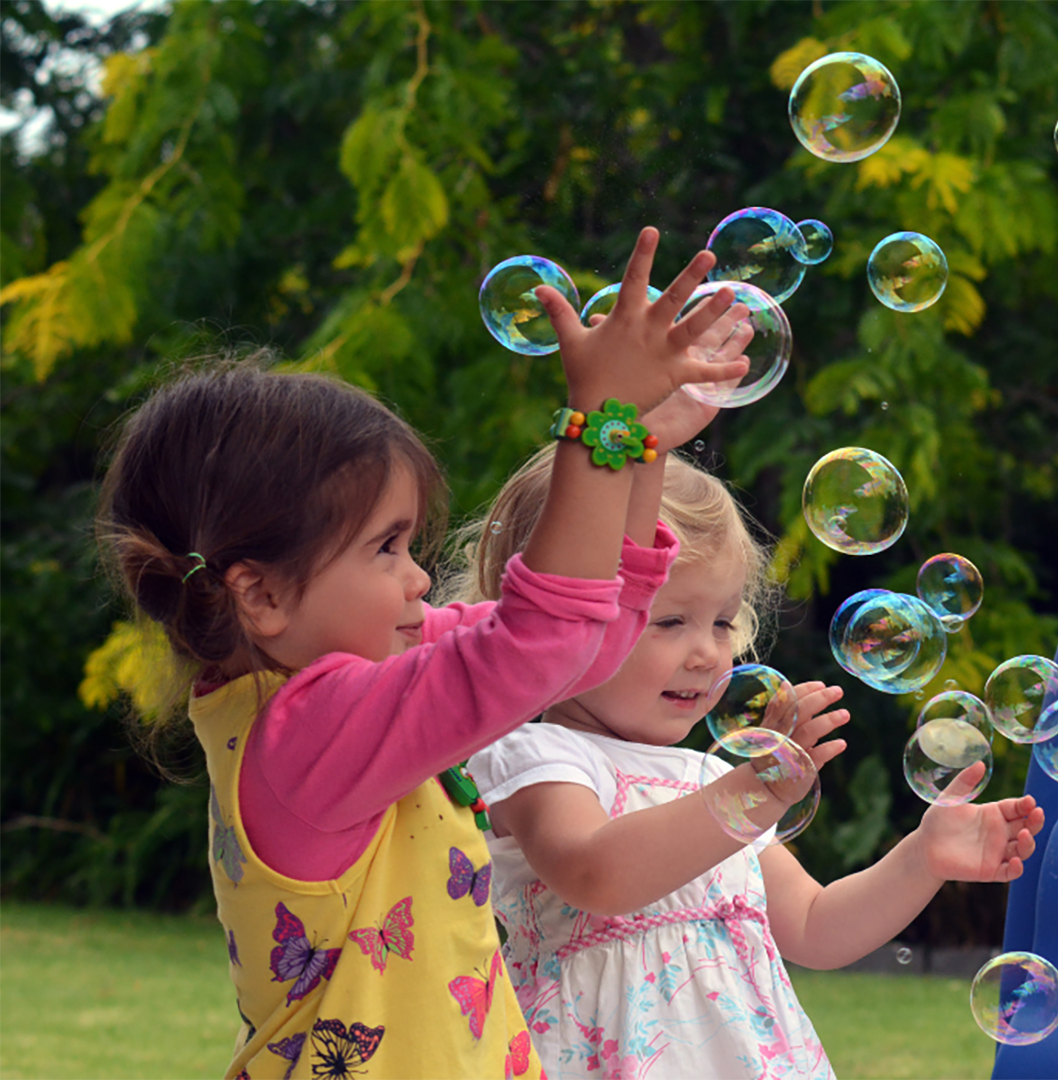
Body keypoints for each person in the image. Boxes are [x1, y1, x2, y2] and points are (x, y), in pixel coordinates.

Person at [95, 228, 751, 1080]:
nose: (416, 579)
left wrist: (639, 453)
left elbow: (584, 652)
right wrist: (599, 425)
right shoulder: (307, 729)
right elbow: (540, 642)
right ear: (261, 596)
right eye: (386, 547)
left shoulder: (357, 692)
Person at [460, 440, 1048, 1079]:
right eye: (670, 622)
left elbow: (816, 927)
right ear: (557, 618)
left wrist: (922, 856)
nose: (708, 653)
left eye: (721, 623)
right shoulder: (537, 759)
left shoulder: (713, 777)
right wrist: (753, 794)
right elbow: (597, 875)